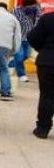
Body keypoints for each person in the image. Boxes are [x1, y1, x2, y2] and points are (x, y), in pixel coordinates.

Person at [27, 9, 54, 139]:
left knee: (46, 95)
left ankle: (42, 128)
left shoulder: (48, 18)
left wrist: (43, 49)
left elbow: (32, 37)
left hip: (47, 62)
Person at [11, 0, 40, 82]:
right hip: (18, 37)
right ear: (25, 6)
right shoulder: (16, 11)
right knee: (19, 56)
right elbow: (22, 22)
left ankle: (12, 63)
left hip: (29, 38)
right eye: (31, 7)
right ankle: (22, 75)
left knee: (26, 56)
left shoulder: (36, 10)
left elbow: (38, 21)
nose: (33, 8)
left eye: (34, 7)